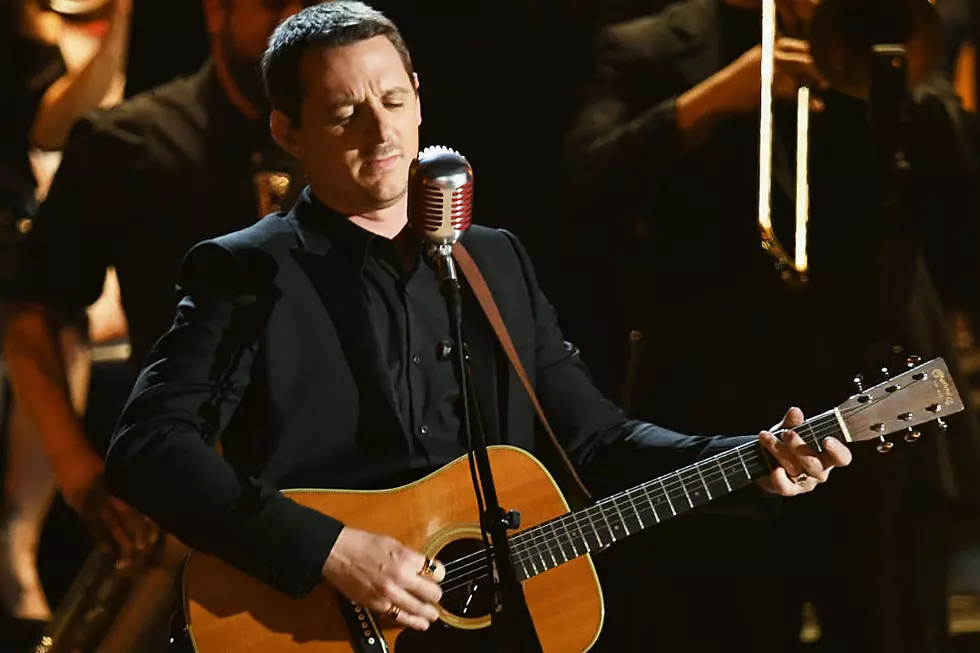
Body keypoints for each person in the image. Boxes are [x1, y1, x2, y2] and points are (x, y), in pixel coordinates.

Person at [102, 2, 850, 649]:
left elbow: (596, 440)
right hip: (314, 623)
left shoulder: (493, 258)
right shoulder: (247, 270)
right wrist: (331, 549)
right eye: (344, 113)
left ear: (420, 99)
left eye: (394, 101)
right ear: (288, 133)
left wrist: (749, 456)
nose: (380, 130)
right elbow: (149, 446)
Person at [561, 0, 980, 650]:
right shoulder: (648, 47)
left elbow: (957, 211)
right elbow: (585, 186)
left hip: (889, 417)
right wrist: (714, 98)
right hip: (719, 429)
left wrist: (890, 85)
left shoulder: (897, 24)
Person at [2, 0, 311, 631]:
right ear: (215, 12)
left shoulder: (354, 141)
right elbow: (32, 313)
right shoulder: (126, 142)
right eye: (274, 4)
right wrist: (80, 474)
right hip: (186, 515)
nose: (296, 22)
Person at [0, 0, 130, 640]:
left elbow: (55, 129)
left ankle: (18, 546)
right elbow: (54, 124)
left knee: (55, 324)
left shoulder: (40, 39)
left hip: (17, 237)